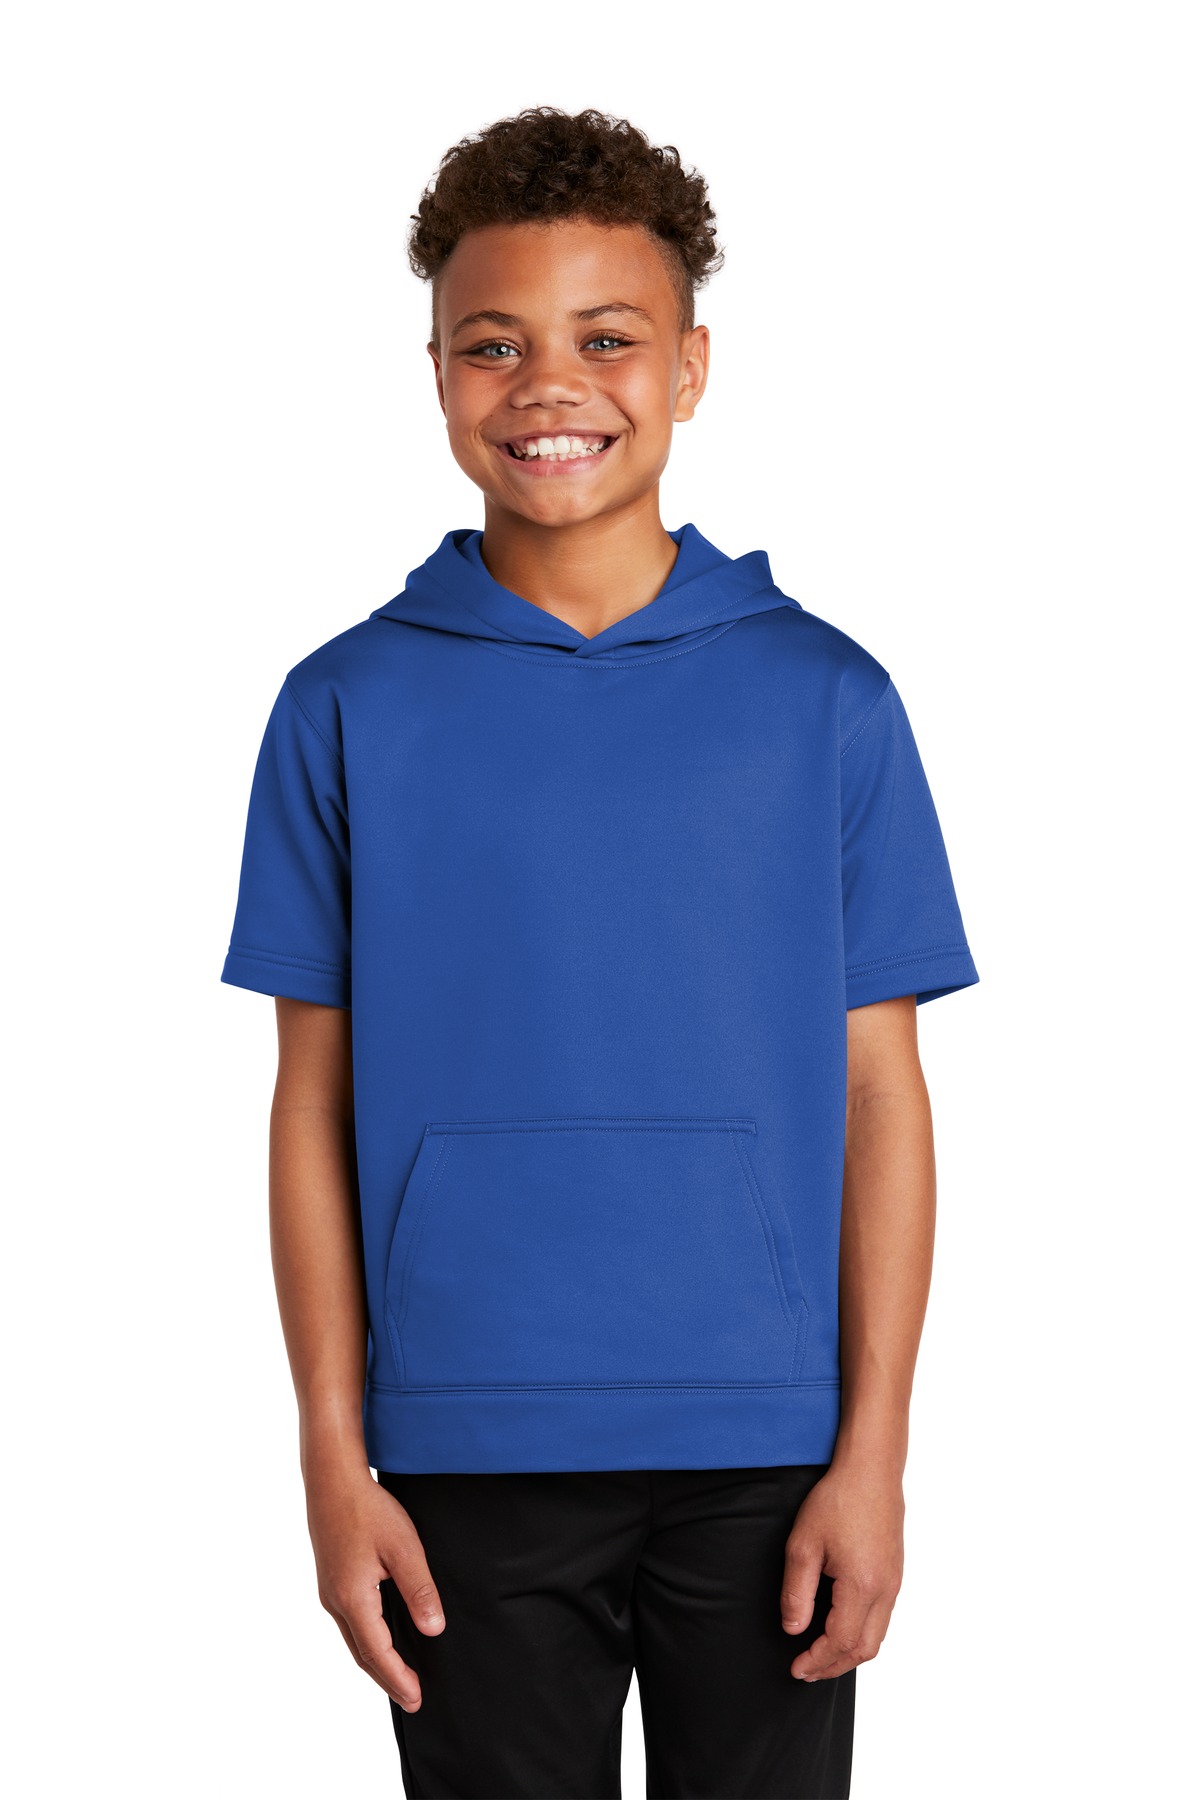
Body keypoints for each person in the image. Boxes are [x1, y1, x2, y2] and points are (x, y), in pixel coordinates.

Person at [220, 105, 979, 1800]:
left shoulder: (827, 700)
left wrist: (877, 1451)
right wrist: (331, 1456)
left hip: (770, 1453)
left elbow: (883, 1094)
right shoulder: (344, 706)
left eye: (606, 338)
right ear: (435, 373)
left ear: (691, 367)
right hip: (464, 1448)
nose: (547, 385)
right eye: (493, 345)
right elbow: (307, 1105)